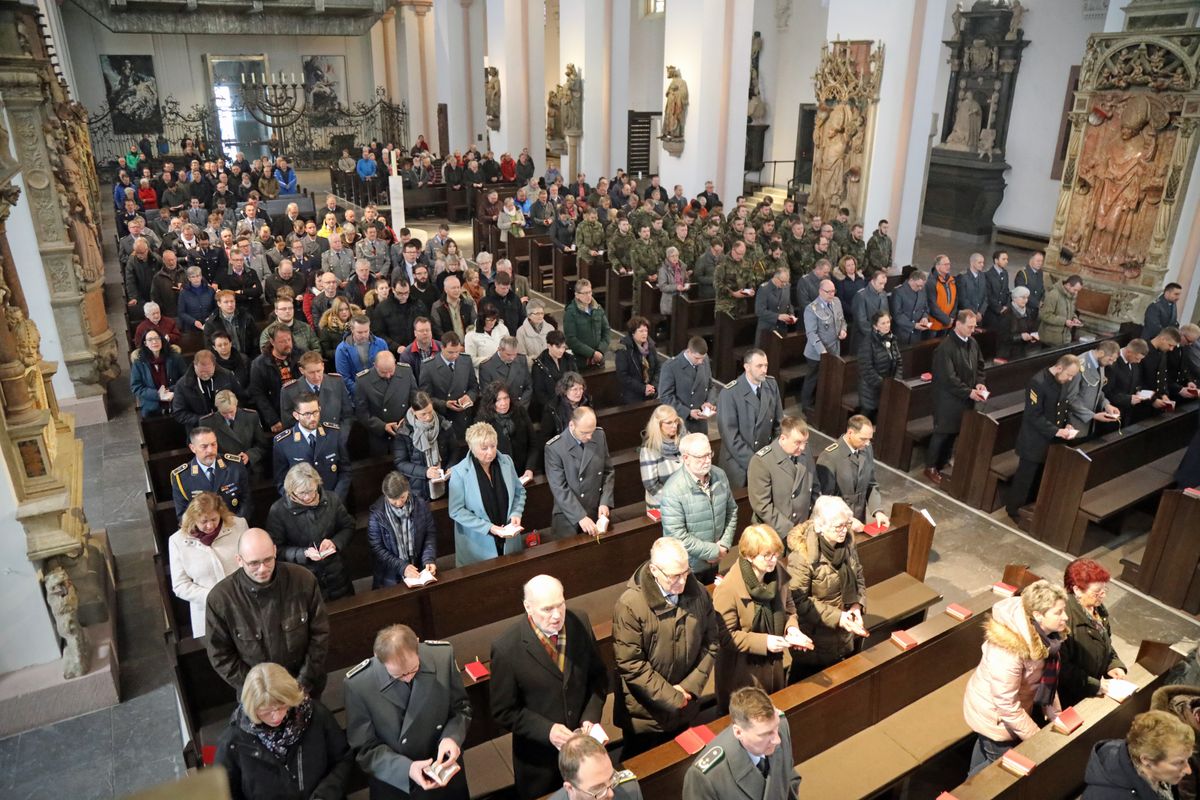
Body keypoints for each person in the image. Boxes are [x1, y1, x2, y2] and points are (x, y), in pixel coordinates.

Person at [490, 575, 608, 800]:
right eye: (547, 609)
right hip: (540, 762)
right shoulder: (506, 648)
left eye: (560, 605)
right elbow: (503, 711)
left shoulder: (579, 621)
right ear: (528, 607)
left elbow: (598, 678)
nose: (556, 615)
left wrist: (589, 718)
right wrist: (548, 731)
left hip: (583, 755)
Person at [612, 536, 722, 756]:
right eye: (674, 576)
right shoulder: (630, 605)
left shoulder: (699, 593)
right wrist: (672, 696)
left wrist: (689, 688)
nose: (682, 582)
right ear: (654, 570)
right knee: (643, 765)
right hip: (644, 714)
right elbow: (631, 664)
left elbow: (711, 642)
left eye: (686, 572)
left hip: (685, 704)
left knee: (681, 761)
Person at [344, 624, 472, 800]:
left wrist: (452, 737)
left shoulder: (442, 656)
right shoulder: (359, 685)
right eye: (399, 675)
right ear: (378, 658)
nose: (408, 677)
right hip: (397, 780)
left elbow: (461, 708)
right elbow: (365, 748)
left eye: (413, 669)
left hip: (442, 766)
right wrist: (407, 769)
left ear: (417, 644)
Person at [205, 528, 330, 696]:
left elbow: (320, 635)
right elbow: (220, 656)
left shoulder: (303, 580)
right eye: (254, 563)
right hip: (258, 696)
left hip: (306, 687)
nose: (263, 569)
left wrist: (301, 684)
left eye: (268, 560)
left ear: (275, 551)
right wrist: (261, 691)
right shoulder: (221, 599)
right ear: (239, 560)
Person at [962, 579, 1069, 775]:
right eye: (1058, 612)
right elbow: (1006, 704)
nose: (1066, 617)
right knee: (997, 772)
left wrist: (1056, 714)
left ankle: (967, 783)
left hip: (1006, 711)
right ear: (1038, 615)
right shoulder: (1009, 651)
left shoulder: (1047, 638)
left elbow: (1046, 679)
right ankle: (967, 788)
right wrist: (1035, 737)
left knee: (986, 753)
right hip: (995, 715)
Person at [214, 662, 352, 800]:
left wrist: (324, 795)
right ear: (252, 708)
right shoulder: (232, 742)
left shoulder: (316, 715)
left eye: (281, 707)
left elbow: (343, 759)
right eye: (266, 712)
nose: (276, 717)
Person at [713, 526, 809, 709]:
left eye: (776, 553)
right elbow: (725, 636)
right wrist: (765, 642)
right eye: (767, 555)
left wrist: (792, 628)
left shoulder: (778, 571)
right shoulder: (728, 588)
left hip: (773, 666)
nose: (774, 559)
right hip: (742, 674)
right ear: (749, 556)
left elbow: (788, 606)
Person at [785, 496, 868, 679]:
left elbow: (858, 575)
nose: (844, 530)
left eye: (846, 524)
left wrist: (857, 604)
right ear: (820, 526)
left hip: (844, 635)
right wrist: (838, 617)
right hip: (814, 642)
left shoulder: (847, 544)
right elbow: (798, 601)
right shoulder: (803, 556)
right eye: (838, 526)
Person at [683, 685, 802, 800]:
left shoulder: (781, 725)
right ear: (738, 732)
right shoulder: (707, 776)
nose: (777, 740)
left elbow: (788, 778)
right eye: (765, 734)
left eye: (776, 727)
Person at [1005, 354, 1081, 520]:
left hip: (1052, 438)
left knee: (1040, 476)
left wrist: (1067, 424)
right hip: (1034, 439)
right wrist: (1056, 431)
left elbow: (1063, 405)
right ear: (1059, 368)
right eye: (1069, 375)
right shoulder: (1038, 382)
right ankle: (1014, 510)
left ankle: (1029, 506)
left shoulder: (1061, 380)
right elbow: (1034, 415)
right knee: (1025, 478)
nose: (1070, 379)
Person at [267, 463, 356, 601]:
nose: (308, 497)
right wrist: (303, 553)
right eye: (302, 493)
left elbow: (348, 526)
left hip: (336, 573)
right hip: (303, 578)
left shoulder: (332, 499)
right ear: (291, 491)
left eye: (311, 491)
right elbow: (276, 549)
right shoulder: (278, 511)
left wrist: (335, 542)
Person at [659, 433, 738, 584]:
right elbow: (677, 535)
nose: (707, 460)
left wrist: (724, 545)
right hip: (687, 567)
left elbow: (731, 511)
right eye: (701, 457)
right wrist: (713, 551)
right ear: (686, 458)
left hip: (716, 559)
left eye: (709, 454)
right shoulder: (673, 489)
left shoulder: (720, 475)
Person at [448, 421, 526, 566]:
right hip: (478, 543)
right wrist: (489, 528)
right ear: (472, 448)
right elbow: (456, 511)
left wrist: (516, 513)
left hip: (509, 538)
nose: (490, 452)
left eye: (493, 446)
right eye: (484, 448)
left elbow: (519, 491)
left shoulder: (506, 462)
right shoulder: (459, 472)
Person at [169, 492, 247, 638]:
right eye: (204, 521)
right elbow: (180, 585)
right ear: (193, 519)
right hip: (208, 611)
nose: (210, 525)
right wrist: (213, 597)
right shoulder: (177, 541)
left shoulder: (239, 525)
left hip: (243, 603)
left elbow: (250, 561)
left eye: (214, 519)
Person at [924, 310, 986, 486]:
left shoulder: (972, 343)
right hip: (947, 399)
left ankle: (943, 461)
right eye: (969, 327)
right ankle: (930, 467)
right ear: (958, 324)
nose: (972, 330)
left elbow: (980, 366)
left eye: (974, 327)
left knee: (954, 432)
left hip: (965, 397)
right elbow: (948, 378)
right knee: (942, 433)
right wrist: (969, 392)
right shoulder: (945, 348)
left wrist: (979, 383)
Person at [1059, 558, 1127, 709]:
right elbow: (1063, 668)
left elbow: (1105, 643)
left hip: (1092, 688)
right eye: (1097, 592)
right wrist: (1094, 685)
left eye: (1104, 590)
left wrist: (1113, 665)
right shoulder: (1064, 619)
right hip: (1070, 697)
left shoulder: (1097, 609)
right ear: (1077, 590)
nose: (1103, 595)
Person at [1082, 710, 1195, 799]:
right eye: (1178, 763)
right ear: (1146, 760)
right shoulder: (1109, 795)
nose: (1188, 770)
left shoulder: (1139, 750)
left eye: (1187, 760)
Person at [544, 407, 615, 540]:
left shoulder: (599, 435)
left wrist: (605, 501)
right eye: (584, 433)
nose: (589, 437)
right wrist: (580, 516)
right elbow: (559, 488)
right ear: (572, 425)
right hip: (568, 516)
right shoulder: (555, 447)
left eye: (591, 431)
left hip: (595, 509)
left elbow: (608, 471)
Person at [717, 348, 783, 489]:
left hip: (766, 460)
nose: (764, 370)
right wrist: (756, 463)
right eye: (759, 366)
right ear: (747, 367)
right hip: (739, 464)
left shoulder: (771, 385)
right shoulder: (730, 393)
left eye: (766, 365)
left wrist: (773, 455)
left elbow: (779, 424)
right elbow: (730, 436)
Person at [272, 392, 350, 501]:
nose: (313, 418)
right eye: (307, 414)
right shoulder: (283, 442)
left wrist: (335, 499)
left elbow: (345, 471)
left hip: (333, 501)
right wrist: (298, 501)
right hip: (302, 504)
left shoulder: (334, 433)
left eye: (315, 412)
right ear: (296, 415)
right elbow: (281, 481)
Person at [366, 472, 438, 590]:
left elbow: (429, 534)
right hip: (390, 575)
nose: (399, 503)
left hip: (418, 568)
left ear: (407, 490)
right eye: (394, 501)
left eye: (402, 497)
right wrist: (402, 567)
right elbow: (377, 548)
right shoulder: (377, 515)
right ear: (386, 496)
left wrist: (429, 558)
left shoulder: (420, 505)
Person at [817, 415, 888, 526]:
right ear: (850, 433)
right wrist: (848, 519)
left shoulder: (866, 449)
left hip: (859, 520)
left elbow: (871, 483)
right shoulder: (830, 457)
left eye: (869, 439)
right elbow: (826, 500)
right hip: (837, 523)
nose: (867, 443)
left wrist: (877, 511)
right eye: (863, 439)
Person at [172, 425, 252, 521]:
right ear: (193, 448)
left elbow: (246, 500)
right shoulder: (181, 477)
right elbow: (183, 515)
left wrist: (235, 524)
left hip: (234, 523)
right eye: (204, 446)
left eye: (213, 444)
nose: (210, 450)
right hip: (204, 528)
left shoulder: (235, 465)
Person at [418, 331, 479, 443]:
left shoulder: (465, 360)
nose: (455, 356)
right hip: (444, 421)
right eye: (450, 352)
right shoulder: (428, 367)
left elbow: (474, 387)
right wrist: (445, 404)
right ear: (442, 348)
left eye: (457, 352)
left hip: (464, 420)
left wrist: (469, 397)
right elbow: (425, 398)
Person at [392, 391, 454, 501]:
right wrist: (425, 472)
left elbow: (454, 449)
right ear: (413, 411)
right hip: (419, 487)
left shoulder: (443, 424)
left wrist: (451, 466)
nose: (428, 417)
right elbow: (400, 463)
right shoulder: (404, 432)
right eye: (423, 414)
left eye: (430, 412)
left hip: (446, 482)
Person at [354, 351, 417, 455]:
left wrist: (408, 419)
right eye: (383, 372)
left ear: (395, 363)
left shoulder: (406, 371)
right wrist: (382, 426)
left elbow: (415, 399)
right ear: (375, 366)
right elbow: (362, 412)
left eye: (391, 371)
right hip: (380, 436)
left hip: (406, 430)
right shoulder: (363, 381)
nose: (388, 375)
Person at [800, 278, 847, 412]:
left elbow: (842, 320)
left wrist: (843, 330)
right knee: (813, 378)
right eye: (828, 292)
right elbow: (811, 333)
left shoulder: (836, 301)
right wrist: (822, 351)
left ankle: (823, 402)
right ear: (820, 291)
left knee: (829, 378)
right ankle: (806, 405)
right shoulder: (811, 309)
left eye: (833, 291)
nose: (832, 294)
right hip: (817, 353)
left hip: (834, 349)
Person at [550, 735, 643, 799]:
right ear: (570, 789)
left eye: (612, 779)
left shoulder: (630, 790)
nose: (611, 794)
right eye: (598, 788)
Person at [658, 336, 718, 436]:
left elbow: (710, 385)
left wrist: (709, 402)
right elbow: (665, 396)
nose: (700, 362)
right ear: (689, 351)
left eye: (702, 358)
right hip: (680, 421)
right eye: (697, 358)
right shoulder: (671, 366)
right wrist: (687, 412)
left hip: (700, 422)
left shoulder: (704, 359)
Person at [476, 381, 538, 478]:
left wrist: (529, 468)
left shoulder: (520, 411)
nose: (503, 403)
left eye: (506, 398)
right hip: (497, 474)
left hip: (523, 472)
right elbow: (481, 454)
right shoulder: (483, 420)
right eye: (498, 400)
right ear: (491, 402)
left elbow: (533, 444)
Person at [281, 351, 353, 429]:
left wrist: (341, 434)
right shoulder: (290, 391)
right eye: (311, 373)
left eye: (319, 371)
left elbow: (347, 415)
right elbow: (289, 423)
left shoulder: (336, 382)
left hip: (336, 433)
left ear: (323, 366)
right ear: (302, 371)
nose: (316, 376)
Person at [1068, 340, 1123, 437]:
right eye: (1110, 359)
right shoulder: (1078, 365)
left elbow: (1097, 389)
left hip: (1090, 425)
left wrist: (1106, 405)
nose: (1110, 364)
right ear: (1101, 353)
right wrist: (1092, 415)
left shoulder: (1100, 362)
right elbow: (1070, 398)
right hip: (1074, 425)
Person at [131, 329, 187, 417]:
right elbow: (136, 387)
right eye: (150, 340)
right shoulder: (139, 363)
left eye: (157, 338)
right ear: (145, 343)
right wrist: (157, 394)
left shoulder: (175, 357)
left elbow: (186, 379)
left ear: (162, 340)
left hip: (176, 400)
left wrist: (171, 390)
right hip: (151, 405)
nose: (154, 342)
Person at [858, 310, 902, 421]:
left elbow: (899, 362)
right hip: (870, 391)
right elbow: (866, 369)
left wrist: (896, 381)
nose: (887, 325)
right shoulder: (867, 342)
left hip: (887, 388)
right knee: (866, 420)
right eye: (883, 323)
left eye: (888, 322)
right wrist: (884, 384)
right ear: (875, 326)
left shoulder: (892, 339)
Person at [639, 405, 685, 510]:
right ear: (658, 425)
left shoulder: (685, 439)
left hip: (687, 501)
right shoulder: (649, 449)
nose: (674, 426)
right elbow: (651, 485)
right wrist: (677, 500)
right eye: (669, 423)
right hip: (662, 505)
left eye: (676, 421)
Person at [334, 315, 389, 395]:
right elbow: (344, 377)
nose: (363, 335)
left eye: (366, 331)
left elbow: (387, 367)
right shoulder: (342, 349)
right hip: (357, 393)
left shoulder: (381, 343)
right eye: (359, 332)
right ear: (352, 330)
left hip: (381, 390)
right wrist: (362, 392)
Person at [532, 330, 579, 420]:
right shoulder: (539, 364)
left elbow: (577, 380)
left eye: (563, 347)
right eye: (558, 347)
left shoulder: (569, 359)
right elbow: (539, 393)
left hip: (571, 402)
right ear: (549, 346)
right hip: (551, 408)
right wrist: (555, 406)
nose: (561, 350)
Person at [563, 279, 610, 368]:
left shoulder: (597, 308)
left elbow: (606, 331)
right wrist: (592, 353)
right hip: (581, 362)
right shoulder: (571, 312)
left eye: (589, 292)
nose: (588, 296)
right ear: (577, 295)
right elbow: (571, 339)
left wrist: (600, 351)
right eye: (584, 293)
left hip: (599, 358)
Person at [615, 316, 662, 404]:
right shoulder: (623, 349)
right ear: (633, 333)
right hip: (632, 394)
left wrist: (653, 386)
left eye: (646, 331)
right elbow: (623, 376)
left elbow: (658, 367)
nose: (644, 334)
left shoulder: (651, 346)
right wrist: (643, 388)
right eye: (641, 331)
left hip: (651, 391)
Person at [478, 335, 533, 408]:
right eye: (508, 354)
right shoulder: (487, 367)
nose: (512, 358)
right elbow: (487, 396)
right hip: (500, 409)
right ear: (499, 349)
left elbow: (528, 386)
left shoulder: (521, 360)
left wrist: (520, 408)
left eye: (515, 354)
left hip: (521, 408)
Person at [1038, 274, 1085, 346]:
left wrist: (1074, 318)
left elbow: (1071, 311)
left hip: (1065, 339)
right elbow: (1045, 315)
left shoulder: (1071, 295)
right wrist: (1064, 321)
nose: (1076, 293)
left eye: (1078, 291)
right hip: (1050, 340)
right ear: (1068, 285)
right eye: (1075, 290)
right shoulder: (1053, 295)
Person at [890, 268, 932, 345]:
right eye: (918, 286)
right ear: (911, 280)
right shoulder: (899, 292)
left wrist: (924, 317)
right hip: (902, 333)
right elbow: (897, 314)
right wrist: (913, 325)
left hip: (916, 334)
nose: (920, 288)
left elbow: (925, 307)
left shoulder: (922, 290)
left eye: (922, 286)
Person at [1004, 285, 1040, 359]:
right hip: (1009, 352)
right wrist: (1020, 337)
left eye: (1027, 298)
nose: (1026, 300)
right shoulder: (1006, 314)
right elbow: (1003, 337)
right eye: (1023, 298)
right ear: (1014, 298)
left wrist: (1032, 337)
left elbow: (1032, 328)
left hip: (1025, 349)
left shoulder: (1028, 312)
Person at [983, 249, 1012, 332]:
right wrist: (999, 308)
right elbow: (988, 295)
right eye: (1003, 259)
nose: (1006, 261)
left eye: (1007, 259)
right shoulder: (988, 275)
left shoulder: (1005, 273)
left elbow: (1006, 291)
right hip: (992, 312)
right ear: (996, 260)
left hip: (1004, 313)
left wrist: (1007, 306)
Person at [1014, 250, 1046, 321]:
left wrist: (1042, 301)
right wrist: (1037, 304)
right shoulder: (1022, 274)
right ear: (1031, 260)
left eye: (1041, 261)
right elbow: (1021, 293)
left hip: (1035, 312)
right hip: (1024, 310)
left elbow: (1041, 289)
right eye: (1038, 261)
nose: (1040, 263)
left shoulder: (1040, 272)